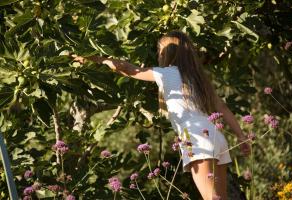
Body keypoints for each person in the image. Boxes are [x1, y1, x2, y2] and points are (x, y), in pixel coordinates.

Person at [73, 30, 251, 200]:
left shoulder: (167, 74)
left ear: (168, 54)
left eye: (160, 51)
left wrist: (93, 59)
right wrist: (241, 136)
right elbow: (224, 109)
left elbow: (128, 69)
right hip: (216, 137)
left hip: (196, 139)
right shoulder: (198, 79)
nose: (158, 55)